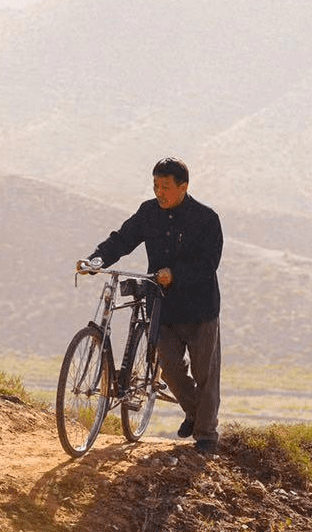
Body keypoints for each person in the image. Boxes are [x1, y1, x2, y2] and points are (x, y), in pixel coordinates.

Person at [84, 157, 224, 454]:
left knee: (205, 374)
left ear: (183, 187)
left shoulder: (206, 219)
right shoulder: (148, 213)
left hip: (200, 310)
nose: (159, 192)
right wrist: (96, 260)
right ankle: (198, 415)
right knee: (170, 370)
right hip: (163, 306)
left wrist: (175, 274)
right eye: (155, 186)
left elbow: (208, 264)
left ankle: (206, 436)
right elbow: (122, 239)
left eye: (165, 187)